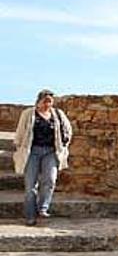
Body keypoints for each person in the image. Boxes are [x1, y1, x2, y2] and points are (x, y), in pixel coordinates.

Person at [13, 90, 73, 225]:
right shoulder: (28, 114)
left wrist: (64, 145)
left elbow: (68, 130)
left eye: (50, 101)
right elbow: (20, 132)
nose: (47, 104)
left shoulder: (57, 114)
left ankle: (43, 208)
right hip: (32, 151)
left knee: (50, 180)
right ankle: (30, 215)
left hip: (51, 152)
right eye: (45, 101)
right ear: (38, 101)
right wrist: (19, 149)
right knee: (30, 185)